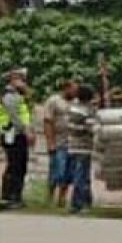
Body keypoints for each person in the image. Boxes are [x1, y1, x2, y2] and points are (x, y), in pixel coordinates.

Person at [0, 68, 34, 210]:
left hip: (17, 134)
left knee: (19, 166)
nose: (23, 82)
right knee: (14, 166)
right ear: (12, 79)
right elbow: (15, 117)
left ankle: (15, 196)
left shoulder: (17, 95)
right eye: (20, 79)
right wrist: (26, 131)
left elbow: (25, 113)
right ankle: (9, 197)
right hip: (13, 134)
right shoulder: (9, 96)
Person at [43, 79, 77, 207]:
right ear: (66, 88)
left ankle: (62, 199)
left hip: (72, 143)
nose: (75, 92)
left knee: (68, 173)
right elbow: (48, 122)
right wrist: (50, 142)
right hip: (58, 143)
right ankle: (49, 197)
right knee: (57, 171)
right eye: (73, 89)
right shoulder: (54, 101)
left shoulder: (75, 103)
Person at [66, 84, 98, 214]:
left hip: (73, 145)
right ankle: (78, 203)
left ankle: (85, 201)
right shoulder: (87, 110)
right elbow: (91, 128)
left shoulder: (73, 108)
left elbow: (70, 126)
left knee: (81, 175)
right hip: (83, 147)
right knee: (82, 175)